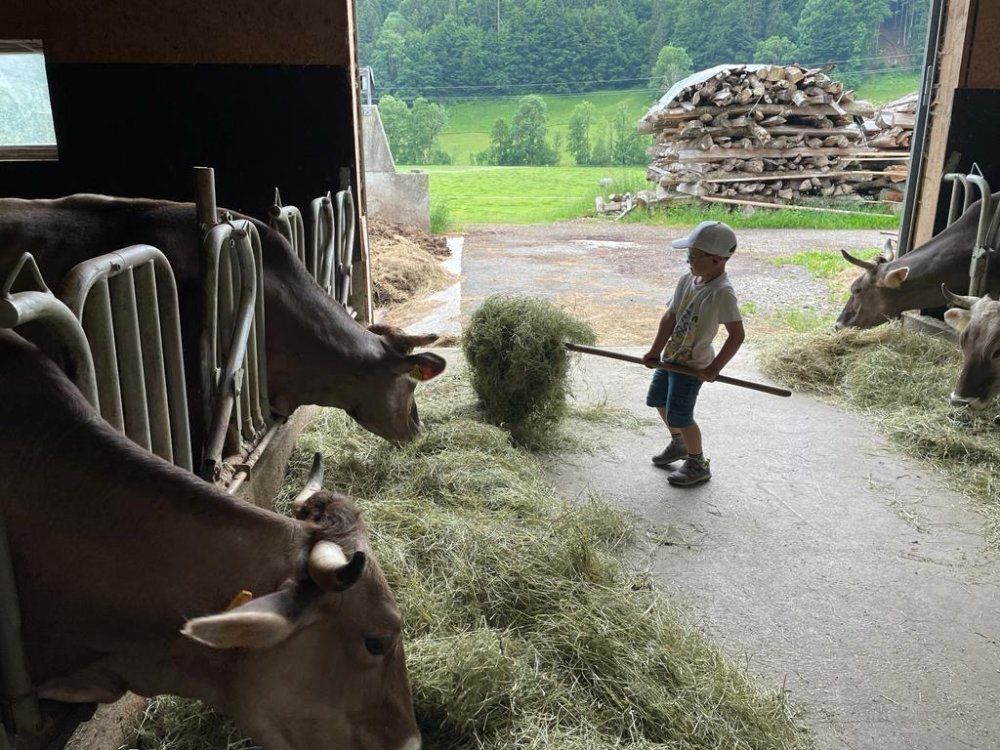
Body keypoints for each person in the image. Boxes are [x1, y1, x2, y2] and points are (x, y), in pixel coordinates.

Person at [642, 220, 745, 487]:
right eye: (688, 255)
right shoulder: (687, 280)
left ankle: (698, 463)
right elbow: (669, 317)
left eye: (693, 256)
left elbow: (737, 335)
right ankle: (679, 443)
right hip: (671, 358)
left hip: (693, 366)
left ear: (716, 260)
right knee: (657, 400)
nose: (688, 261)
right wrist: (655, 351)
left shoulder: (722, 292)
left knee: (681, 415)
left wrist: (713, 369)